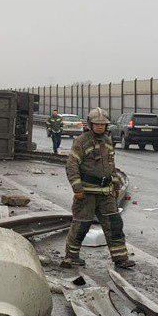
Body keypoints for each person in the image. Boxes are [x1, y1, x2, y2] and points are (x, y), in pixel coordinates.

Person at [62, 107, 135, 269]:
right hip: (86, 194)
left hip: (106, 193)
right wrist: (77, 188)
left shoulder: (108, 141)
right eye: (97, 124)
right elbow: (71, 165)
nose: (100, 127)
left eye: (103, 124)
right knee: (81, 225)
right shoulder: (81, 141)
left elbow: (111, 166)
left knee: (114, 225)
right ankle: (71, 256)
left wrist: (115, 185)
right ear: (91, 124)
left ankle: (120, 258)